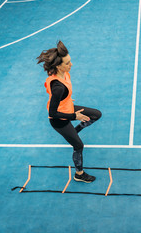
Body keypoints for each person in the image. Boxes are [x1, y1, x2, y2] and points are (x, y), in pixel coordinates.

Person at [37, 41, 101, 183]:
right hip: (59, 120)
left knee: (96, 114)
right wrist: (74, 116)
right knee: (78, 146)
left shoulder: (62, 73)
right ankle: (79, 174)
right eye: (67, 63)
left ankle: (73, 133)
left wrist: (69, 103)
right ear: (58, 66)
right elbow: (52, 113)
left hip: (68, 108)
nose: (71, 65)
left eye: (70, 61)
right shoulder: (58, 88)